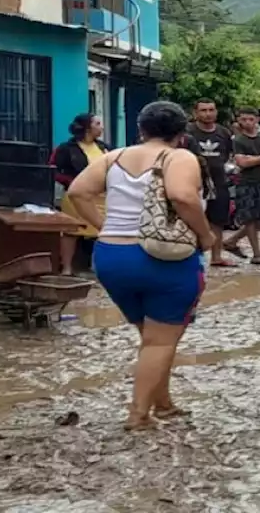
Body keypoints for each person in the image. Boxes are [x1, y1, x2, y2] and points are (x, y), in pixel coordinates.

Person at [66, 101, 214, 430]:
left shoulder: (112, 156)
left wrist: (104, 226)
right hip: (164, 258)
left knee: (151, 337)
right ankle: (138, 414)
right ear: (181, 132)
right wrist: (206, 236)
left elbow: (77, 192)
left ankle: (163, 403)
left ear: (141, 129)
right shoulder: (180, 157)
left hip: (111, 258)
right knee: (161, 341)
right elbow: (183, 196)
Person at [52, 114, 111, 275]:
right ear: (87, 127)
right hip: (76, 196)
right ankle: (67, 268)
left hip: (101, 197)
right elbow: (53, 170)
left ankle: (97, 267)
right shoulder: (66, 148)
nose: (101, 127)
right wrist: (70, 182)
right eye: (98, 123)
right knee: (71, 231)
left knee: (102, 230)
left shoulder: (104, 147)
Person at [185, 99, 236, 267]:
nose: (208, 114)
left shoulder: (223, 133)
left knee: (218, 221)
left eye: (211, 110)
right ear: (195, 113)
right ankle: (190, 257)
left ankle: (216, 256)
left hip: (219, 182)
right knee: (190, 219)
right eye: (203, 110)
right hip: (193, 183)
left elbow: (229, 154)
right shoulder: (187, 132)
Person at [222, 107, 260, 265]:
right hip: (246, 183)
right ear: (239, 120)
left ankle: (232, 240)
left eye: (250, 119)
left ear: (257, 120)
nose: (247, 123)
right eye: (244, 119)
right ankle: (257, 253)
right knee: (250, 219)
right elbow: (242, 162)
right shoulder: (238, 140)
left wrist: (255, 159)